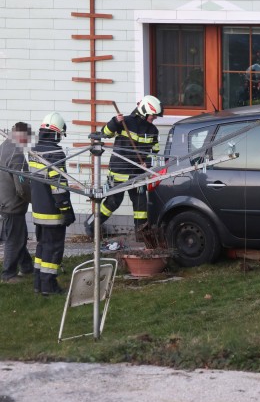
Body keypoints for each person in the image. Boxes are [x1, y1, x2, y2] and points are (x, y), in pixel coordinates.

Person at [85, 95, 162, 236]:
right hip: (118, 172)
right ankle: (91, 225)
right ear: (145, 111)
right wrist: (114, 122)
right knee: (112, 203)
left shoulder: (153, 131)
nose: (155, 118)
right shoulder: (125, 122)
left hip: (139, 174)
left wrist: (148, 164)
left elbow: (154, 151)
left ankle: (141, 236)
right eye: (153, 115)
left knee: (141, 205)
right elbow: (105, 133)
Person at [29, 112, 76, 295]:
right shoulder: (55, 154)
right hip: (52, 211)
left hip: (38, 210)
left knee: (42, 247)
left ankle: (38, 284)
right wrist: (67, 211)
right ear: (57, 133)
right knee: (54, 249)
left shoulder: (34, 151)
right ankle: (49, 286)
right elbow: (59, 188)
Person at [0, 122, 33, 284]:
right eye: (27, 138)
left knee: (19, 236)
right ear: (21, 136)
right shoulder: (16, 155)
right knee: (14, 239)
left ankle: (27, 267)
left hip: (3, 201)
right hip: (13, 205)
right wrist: (34, 200)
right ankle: (8, 274)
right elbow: (22, 187)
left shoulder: (3, 147)